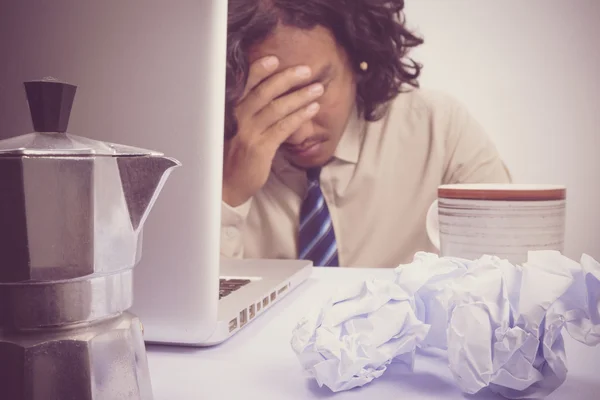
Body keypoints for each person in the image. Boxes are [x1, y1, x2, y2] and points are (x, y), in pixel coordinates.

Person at [220, 0, 511, 268]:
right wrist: (229, 196)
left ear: (358, 56)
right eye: (269, 101)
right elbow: (194, 314)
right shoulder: (214, 153)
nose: (298, 133)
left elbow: (507, 273)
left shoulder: (438, 129)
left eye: (315, 91)